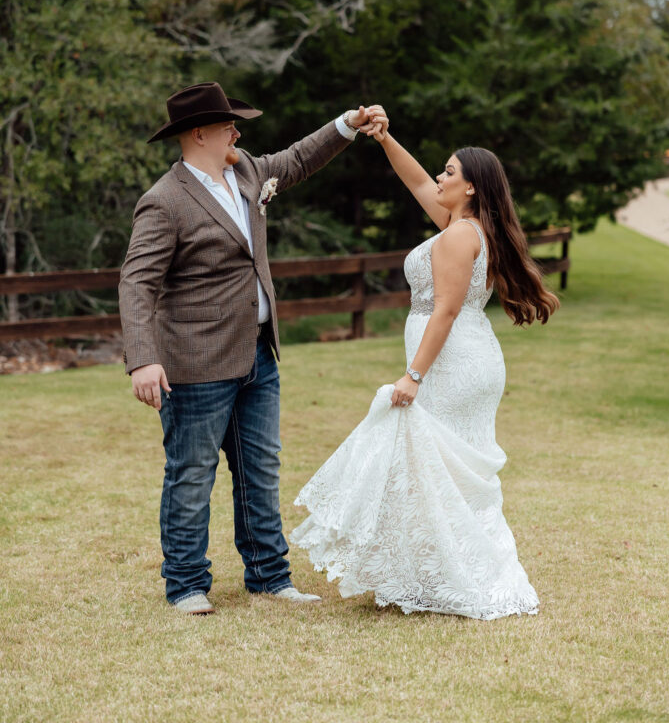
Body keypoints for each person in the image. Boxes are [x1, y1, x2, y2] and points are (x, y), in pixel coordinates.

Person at [118, 81, 380, 615]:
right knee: (191, 475)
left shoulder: (246, 172)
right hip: (194, 363)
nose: (238, 131)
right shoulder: (163, 201)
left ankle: (268, 576)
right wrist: (143, 358)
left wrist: (347, 124)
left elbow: (299, 159)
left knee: (261, 469)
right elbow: (136, 282)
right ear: (199, 134)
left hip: (258, 354)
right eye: (228, 124)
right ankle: (187, 586)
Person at [291, 114, 559, 618]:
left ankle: (464, 577)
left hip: (454, 363)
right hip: (465, 357)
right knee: (443, 471)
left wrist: (413, 376)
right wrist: (385, 139)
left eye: (449, 171)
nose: (438, 176)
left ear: (471, 186)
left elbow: (447, 310)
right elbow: (415, 179)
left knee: (439, 468)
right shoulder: (460, 224)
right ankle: (443, 572)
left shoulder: (459, 235)